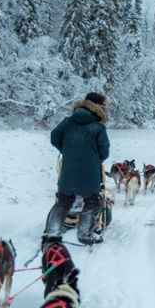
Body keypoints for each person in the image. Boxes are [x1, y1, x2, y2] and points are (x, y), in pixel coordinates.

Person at [43, 92, 110, 245]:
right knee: (92, 201)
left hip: (68, 169)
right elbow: (104, 152)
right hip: (90, 172)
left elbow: (54, 137)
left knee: (63, 200)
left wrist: (68, 151)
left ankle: (52, 232)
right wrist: (93, 159)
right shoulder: (98, 127)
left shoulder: (68, 122)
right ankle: (85, 234)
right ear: (98, 106)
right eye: (104, 105)